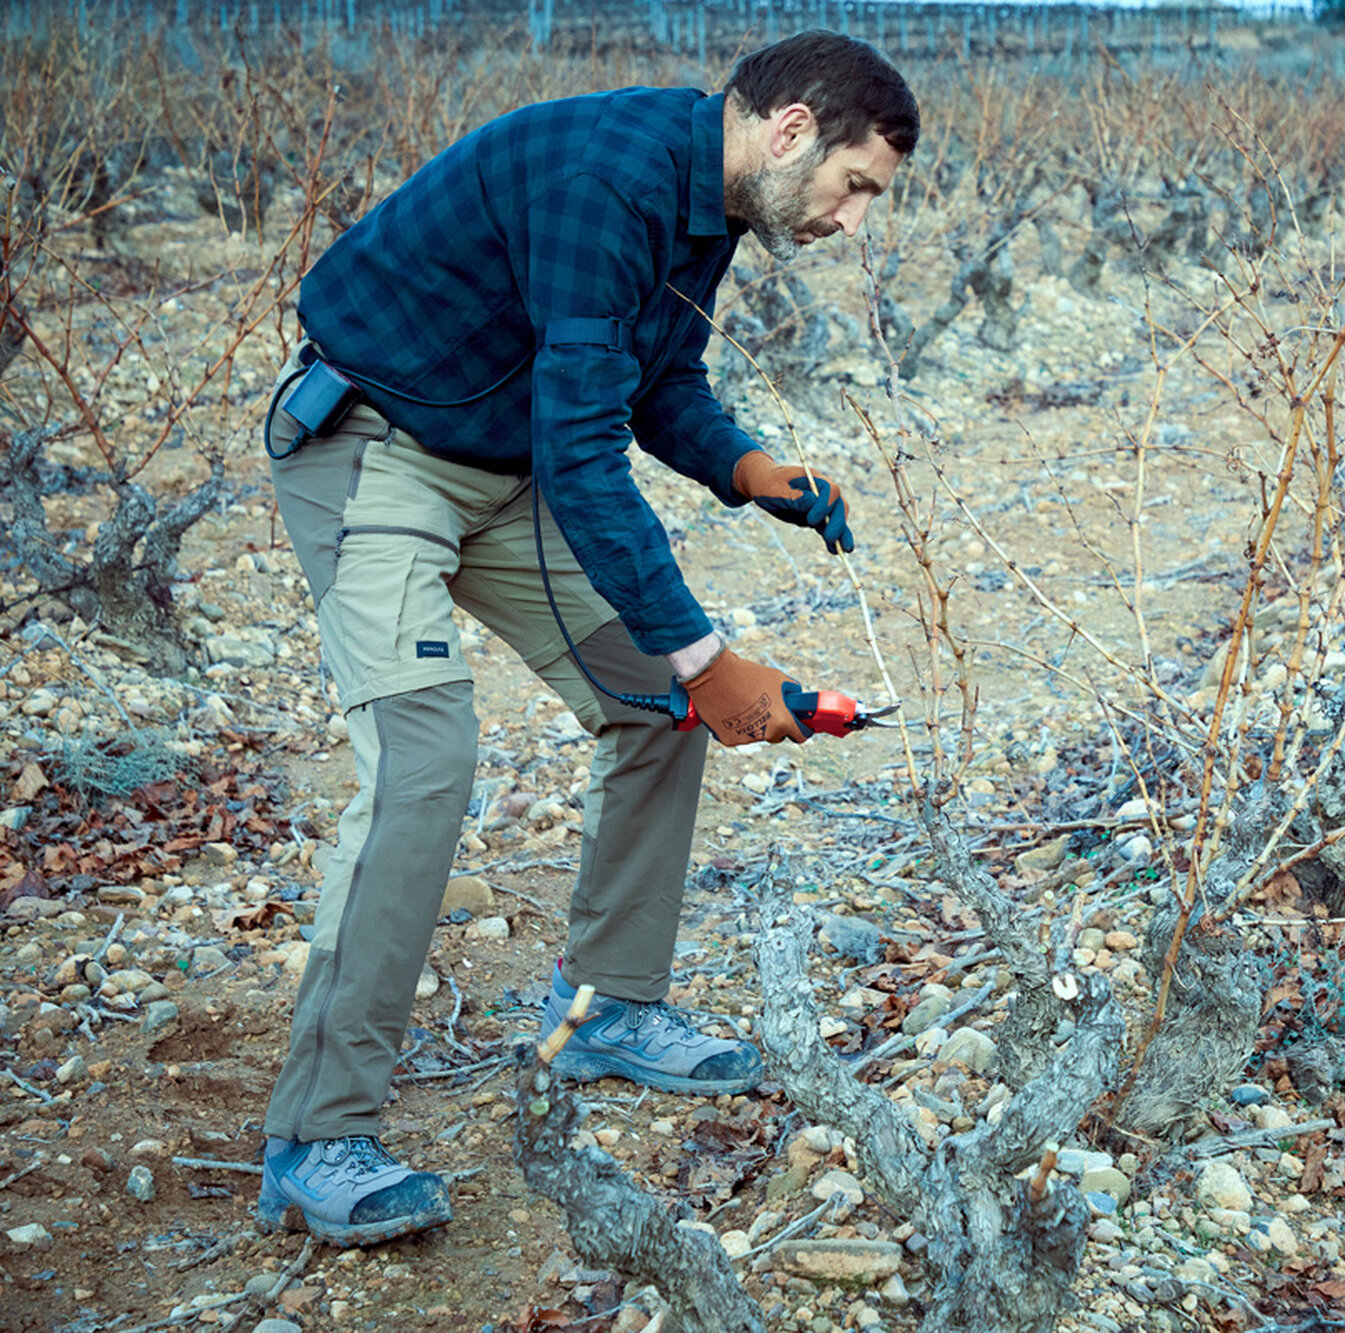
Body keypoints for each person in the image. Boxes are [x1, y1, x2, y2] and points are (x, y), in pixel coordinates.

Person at [253, 31, 919, 1248]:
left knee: (655, 710)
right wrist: (709, 659)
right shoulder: (605, 179)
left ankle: (607, 1006)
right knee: (425, 761)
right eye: (856, 184)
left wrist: (743, 467)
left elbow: (652, 382)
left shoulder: (708, 203)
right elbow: (583, 451)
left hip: (501, 465)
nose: (853, 220)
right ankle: (315, 1139)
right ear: (790, 131)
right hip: (374, 448)